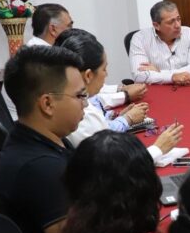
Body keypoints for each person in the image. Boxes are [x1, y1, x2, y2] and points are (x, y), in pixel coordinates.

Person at [0, 46, 86, 233]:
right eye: (80, 96)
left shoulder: (35, 137)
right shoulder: (40, 168)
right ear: (48, 103)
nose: (85, 104)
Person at [56, 29, 183, 161]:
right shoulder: (83, 113)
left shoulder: (70, 102)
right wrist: (159, 148)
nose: (106, 75)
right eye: (104, 69)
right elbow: (116, 166)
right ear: (88, 75)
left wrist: (113, 120)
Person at [3, 4, 146, 119]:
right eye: (69, 26)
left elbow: (83, 88)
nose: (72, 31)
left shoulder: (41, 50)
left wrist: (119, 89)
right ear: (53, 29)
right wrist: (124, 96)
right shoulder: (43, 61)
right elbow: (78, 98)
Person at [129, 0, 190, 85]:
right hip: (158, 90)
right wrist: (172, 77)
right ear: (156, 25)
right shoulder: (139, 39)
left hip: (187, 87)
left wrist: (160, 72)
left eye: (178, 19)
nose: (178, 25)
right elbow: (139, 76)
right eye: (171, 22)